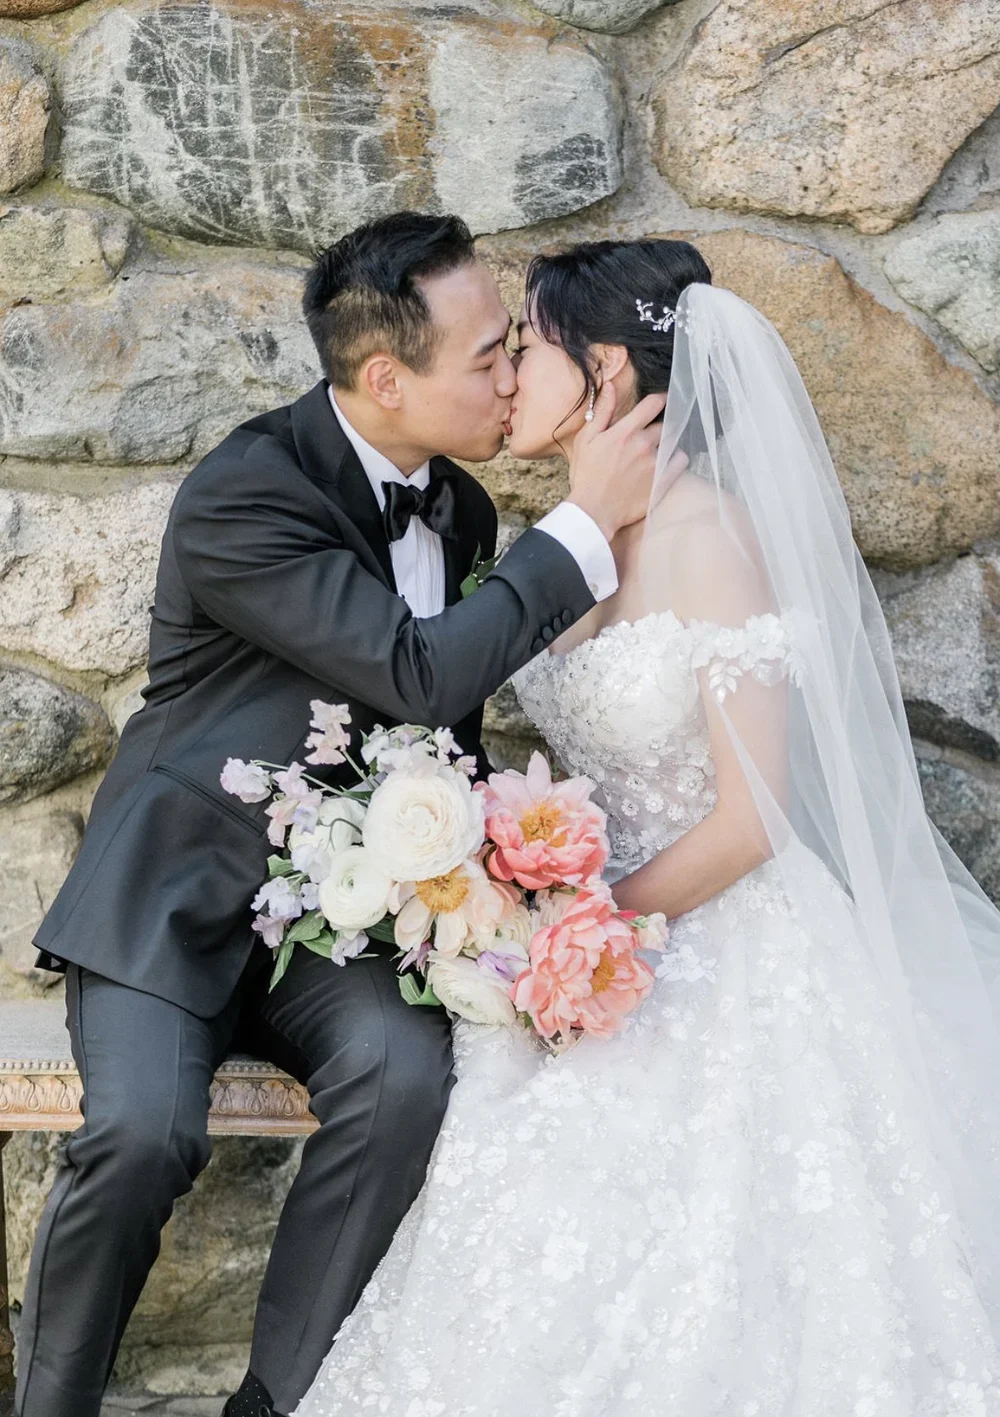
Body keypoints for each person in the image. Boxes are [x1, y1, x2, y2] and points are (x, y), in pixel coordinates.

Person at [293, 238, 1000, 1417]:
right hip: (589, 955)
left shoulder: (709, 538)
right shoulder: (563, 544)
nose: (509, 375)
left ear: (607, 369)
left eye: (529, 348)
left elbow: (750, 819)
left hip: (718, 943)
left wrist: (588, 931)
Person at [13, 214, 665, 1417]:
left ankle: (275, 1404)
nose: (514, 372)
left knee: (406, 1079)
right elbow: (418, 673)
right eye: (489, 354)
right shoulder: (244, 491)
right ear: (385, 377)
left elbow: (441, 732)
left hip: (343, 922)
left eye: (514, 344)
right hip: (180, 901)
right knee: (145, 1135)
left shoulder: (462, 511)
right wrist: (582, 522)